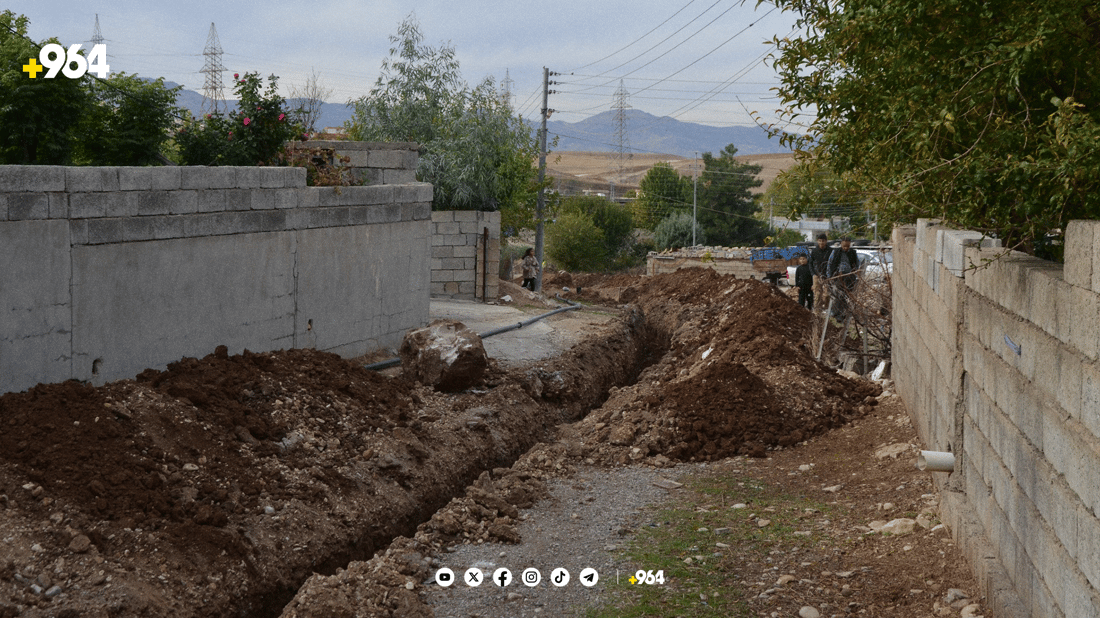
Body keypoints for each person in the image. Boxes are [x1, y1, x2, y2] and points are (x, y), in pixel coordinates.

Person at [827, 237, 860, 320]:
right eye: (844, 246)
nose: (846, 248)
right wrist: (829, 276)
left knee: (846, 296)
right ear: (841, 244)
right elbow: (830, 264)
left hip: (849, 278)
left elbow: (857, 264)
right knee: (837, 296)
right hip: (837, 277)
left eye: (847, 246)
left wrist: (855, 274)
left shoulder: (853, 253)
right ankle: (836, 313)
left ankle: (844, 314)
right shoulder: (835, 252)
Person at [808, 233, 832, 312]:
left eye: (823, 241)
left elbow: (833, 263)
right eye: (820, 241)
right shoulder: (814, 251)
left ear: (826, 241)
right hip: (817, 275)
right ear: (817, 241)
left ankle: (826, 310)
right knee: (818, 295)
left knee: (827, 294)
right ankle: (817, 312)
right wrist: (813, 274)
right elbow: (810, 263)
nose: (821, 243)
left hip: (828, 276)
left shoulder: (830, 251)